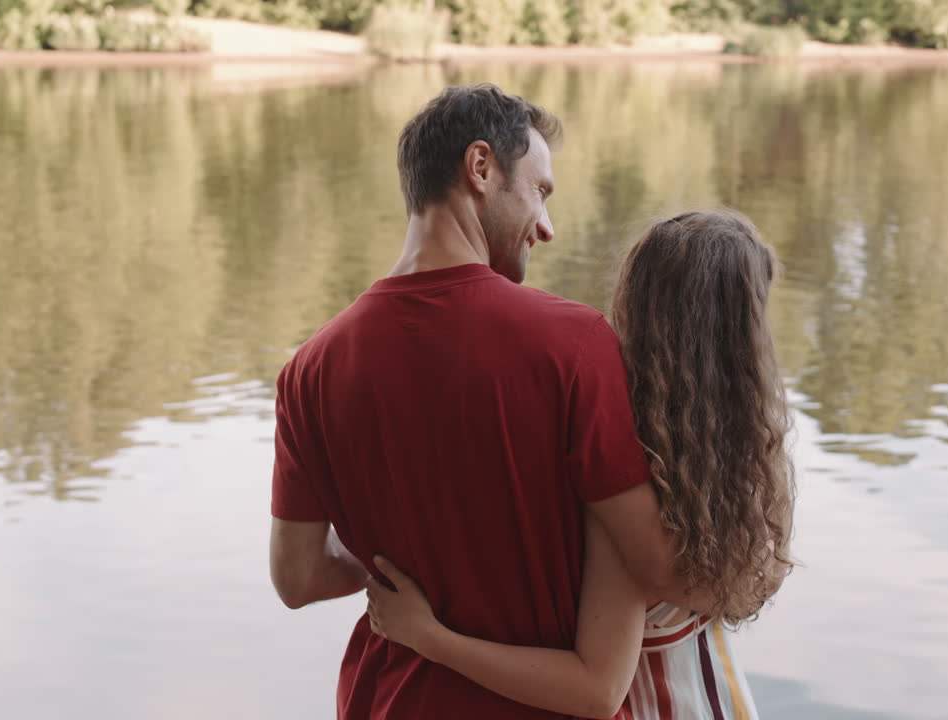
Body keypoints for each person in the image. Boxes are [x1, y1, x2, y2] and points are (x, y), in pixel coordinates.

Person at [268, 85, 744, 719]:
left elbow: (296, 579)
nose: (546, 227)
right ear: (481, 168)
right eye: (540, 191)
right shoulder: (572, 343)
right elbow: (658, 565)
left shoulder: (309, 371)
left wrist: (403, 539)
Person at [364, 209, 796, 719]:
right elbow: (758, 583)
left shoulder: (625, 482)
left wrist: (429, 638)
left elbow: (596, 691)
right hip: (724, 700)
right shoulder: (746, 456)